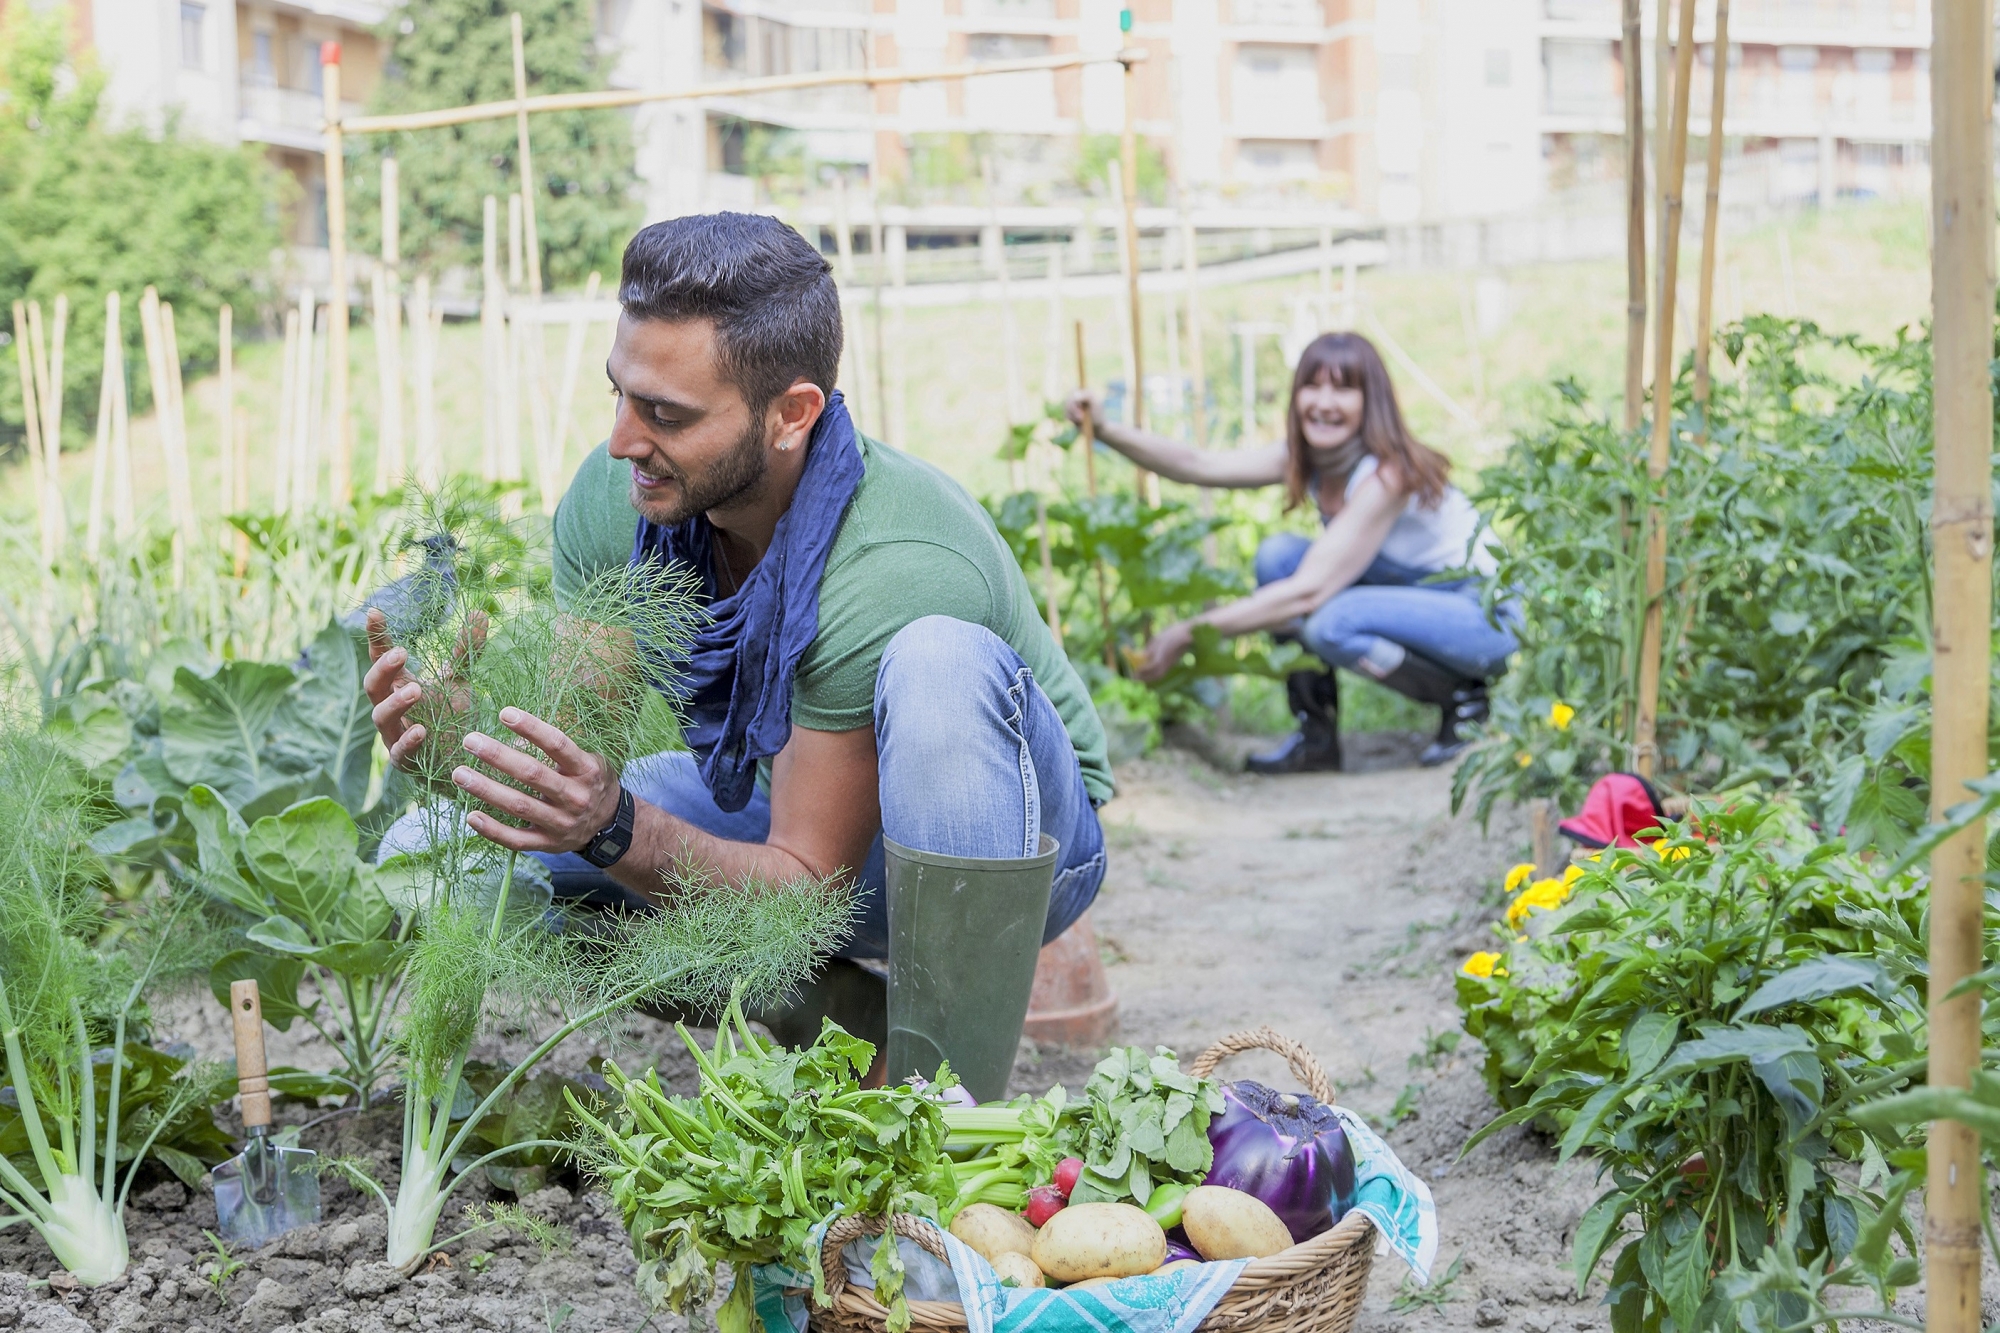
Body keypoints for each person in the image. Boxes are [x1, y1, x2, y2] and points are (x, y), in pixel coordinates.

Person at [363, 213, 1111, 1077]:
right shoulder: (621, 498)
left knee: (940, 661)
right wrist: (466, 756)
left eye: (666, 415)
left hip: (1006, 842)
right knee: (421, 850)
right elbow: (577, 771)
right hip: (788, 807)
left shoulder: (899, 557)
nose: (622, 442)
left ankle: (941, 1113)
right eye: (620, 395)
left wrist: (614, 830)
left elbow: (805, 885)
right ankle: (828, 1009)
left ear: (792, 413)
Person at [1066, 331, 1515, 772]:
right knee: (1279, 556)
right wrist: (1105, 429)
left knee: (1331, 623)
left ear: (1370, 401)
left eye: (1343, 389)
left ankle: (1464, 698)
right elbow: (1198, 466)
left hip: (1483, 614)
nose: (1323, 402)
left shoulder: (1388, 475)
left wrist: (1187, 632)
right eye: (1312, 385)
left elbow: (1307, 594)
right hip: (1417, 596)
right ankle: (1315, 737)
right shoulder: (1312, 459)